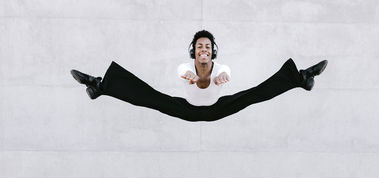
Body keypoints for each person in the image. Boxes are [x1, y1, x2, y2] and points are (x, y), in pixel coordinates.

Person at [71, 30, 328, 122]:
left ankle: (301, 78)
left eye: (207, 46)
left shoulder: (222, 68)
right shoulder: (184, 67)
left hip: (218, 108)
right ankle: (99, 86)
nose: (203, 49)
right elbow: (191, 77)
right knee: (149, 97)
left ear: (212, 51)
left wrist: (217, 79)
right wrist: (197, 80)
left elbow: (221, 75)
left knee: (254, 95)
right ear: (193, 51)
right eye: (199, 46)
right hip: (186, 109)